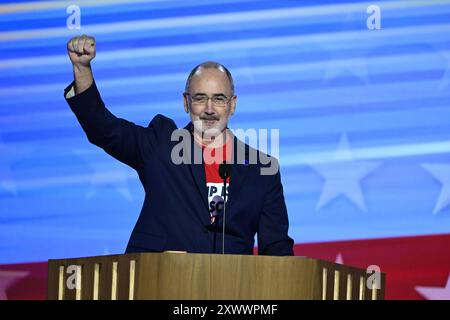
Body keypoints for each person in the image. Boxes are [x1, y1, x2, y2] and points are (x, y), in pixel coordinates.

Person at [65, 34, 294, 256]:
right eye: (200, 98)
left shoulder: (262, 169)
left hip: (230, 287)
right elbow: (103, 129)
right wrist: (82, 69)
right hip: (161, 284)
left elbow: (277, 248)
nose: (210, 109)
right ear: (186, 102)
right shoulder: (160, 145)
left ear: (232, 105)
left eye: (219, 99)